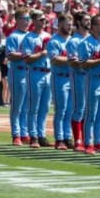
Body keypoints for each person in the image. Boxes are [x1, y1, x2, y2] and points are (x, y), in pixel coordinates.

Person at [22, 9, 53, 148]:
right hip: (35, 72)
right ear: (33, 21)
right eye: (40, 19)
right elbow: (27, 58)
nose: (43, 21)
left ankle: (42, 135)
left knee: (45, 107)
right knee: (33, 106)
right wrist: (42, 53)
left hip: (48, 72)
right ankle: (33, 135)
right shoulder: (29, 37)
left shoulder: (48, 36)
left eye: (44, 19)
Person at [80, 14, 100, 155]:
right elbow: (84, 64)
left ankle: (98, 141)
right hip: (93, 79)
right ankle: (88, 143)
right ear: (94, 26)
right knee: (91, 113)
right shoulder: (86, 43)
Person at [6, 8, 31, 145]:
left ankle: (24, 132)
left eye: (29, 19)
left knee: (27, 105)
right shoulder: (13, 36)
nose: (28, 21)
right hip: (18, 71)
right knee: (17, 105)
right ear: (18, 20)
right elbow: (10, 55)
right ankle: (16, 134)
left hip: (29, 72)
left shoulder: (30, 36)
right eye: (25, 19)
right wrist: (25, 54)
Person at [48, 13, 72, 150]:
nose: (70, 27)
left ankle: (68, 137)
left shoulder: (73, 40)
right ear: (60, 24)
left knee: (70, 110)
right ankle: (59, 138)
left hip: (71, 77)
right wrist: (72, 60)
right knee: (61, 110)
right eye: (67, 24)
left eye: (71, 24)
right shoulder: (54, 41)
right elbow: (55, 59)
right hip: (60, 77)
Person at [67, 11, 90, 152]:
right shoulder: (74, 41)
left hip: (92, 77)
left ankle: (90, 140)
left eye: (89, 20)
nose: (88, 22)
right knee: (79, 108)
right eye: (86, 20)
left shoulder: (92, 39)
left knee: (90, 110)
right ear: (79, 22)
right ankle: (78, 140)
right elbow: (73, 62)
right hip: (79, 77)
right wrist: (88, 63)